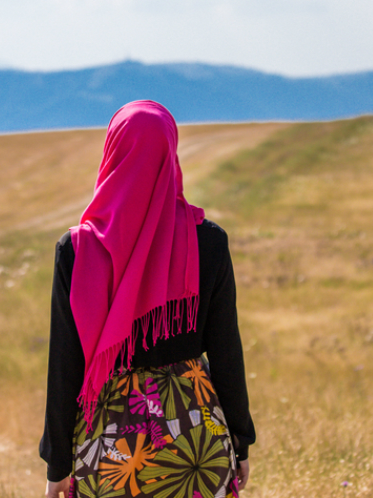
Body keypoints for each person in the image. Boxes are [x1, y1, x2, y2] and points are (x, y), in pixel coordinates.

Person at [39, 100, 255, 498]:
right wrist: (241, 440)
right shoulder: (208, 242)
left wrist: (57, 467)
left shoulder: (76, 250)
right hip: (196, 442)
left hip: (108, 452)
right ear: (170, 154)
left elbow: (64, 366)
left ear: (112, 153)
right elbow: (227, 352)